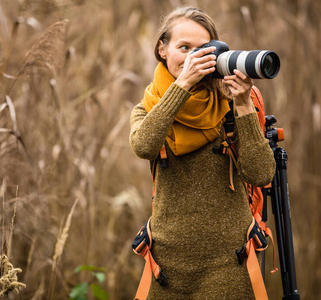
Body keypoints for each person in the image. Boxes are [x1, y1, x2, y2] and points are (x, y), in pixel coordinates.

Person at [129, 6, 276, 299]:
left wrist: (245, 104)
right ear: (162, 49)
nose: (193, 58)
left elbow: (261, 174)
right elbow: (144, 146)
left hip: (227, 264)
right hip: (166, 266)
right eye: (184, 48)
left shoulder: (230, 104)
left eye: (202, 49)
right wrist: (182, 84)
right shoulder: (148, 107)